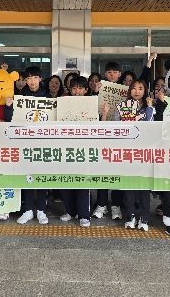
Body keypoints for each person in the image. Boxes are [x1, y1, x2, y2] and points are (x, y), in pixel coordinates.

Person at [104, 79, 154, 231]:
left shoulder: (149, 108)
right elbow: (116, 128)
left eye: (140, 88)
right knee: (129, 186)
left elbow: (152, 126)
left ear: (145, 91)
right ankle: (131, 217)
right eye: (133, 88)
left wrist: (150, 107)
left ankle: (144, 219)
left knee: (144, 188)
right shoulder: (122, 107)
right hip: (127, 152)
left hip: (144, 152)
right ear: (129, 90)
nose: (137, 91)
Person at [5, 66, 51, 225]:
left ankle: (42, 210)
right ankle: (28, 210)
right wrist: (9, 107)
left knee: (42, 177)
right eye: (28, 78)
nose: (32, 81)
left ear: (40, 79)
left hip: (44, 142)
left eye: (35, 78)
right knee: (26, 176)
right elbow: (10, 119)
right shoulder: (19, 97)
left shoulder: (48, 97)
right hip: (25, 142)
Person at [59, 75, 92, 227]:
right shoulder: (63, 102)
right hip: (65, 147)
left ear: (86, 90)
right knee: (66, 181)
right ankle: (70, 211)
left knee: (83, 182)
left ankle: (84, 215)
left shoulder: (91, 104)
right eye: (74, 88)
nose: (77, 91)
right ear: (70, 89)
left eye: (80, 88)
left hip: (84, 149)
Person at [93, 61, 124, 220]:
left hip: (120, 137)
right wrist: (95, 93)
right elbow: (90, 109)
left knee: (117, 172)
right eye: (109, 72)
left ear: (119, 74)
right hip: (102, 135)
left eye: (115, 72)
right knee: (102, 171)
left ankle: (116, 205)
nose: (112, 75)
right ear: (105, 74)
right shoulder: (100, 88)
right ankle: (102, 204)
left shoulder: (126, 91)